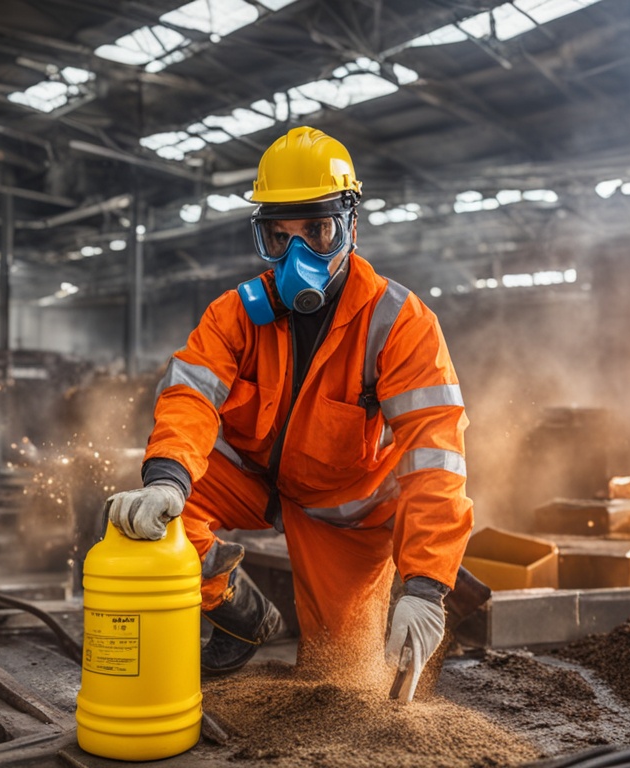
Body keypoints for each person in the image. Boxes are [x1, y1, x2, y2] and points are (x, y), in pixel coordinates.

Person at [104, 127, 473, 700]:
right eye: (280, 237)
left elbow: (435, 454)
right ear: (264, 237)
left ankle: (337, 641)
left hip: (341, 515)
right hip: (251, 481)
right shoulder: (236, 315)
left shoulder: (399, 324)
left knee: (338, 681)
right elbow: (190, 397)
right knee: (157, 521)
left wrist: (425, 585)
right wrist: (169, 478)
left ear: (351, 224)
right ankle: (241, 611)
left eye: (317, 231)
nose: (297, 255)